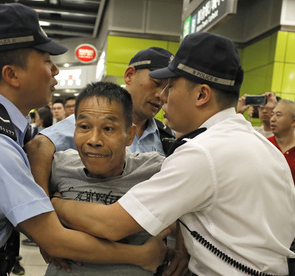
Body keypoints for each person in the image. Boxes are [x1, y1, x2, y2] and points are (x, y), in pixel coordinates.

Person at [0, 4, 169, 276]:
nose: (56, 70)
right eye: (47, 61)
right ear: (12, 74)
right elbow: (55, 239)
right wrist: (141, 255)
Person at [51, 32, 295, 275]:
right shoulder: (264, 148)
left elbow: (111, 224)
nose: (163, 97)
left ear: (201, 95)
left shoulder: (202, 152)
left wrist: (54, 205)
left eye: (171, 87)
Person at [45, 81, 170, 276]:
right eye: (84, 126)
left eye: (108, 129)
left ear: (130, 135)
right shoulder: (58, 167)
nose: (94, 140)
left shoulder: (155, 171)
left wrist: (182, 249)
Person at [25, 46, 175, 196]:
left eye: (169, 88)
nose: (161, 95)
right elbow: (38, 146)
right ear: (129, 75)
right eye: (156, 83)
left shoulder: (165, 138)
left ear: (130, 134)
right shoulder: (84, 123)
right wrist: (44, 208)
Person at [268, 99, 295, 183]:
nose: (272, 119)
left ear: (293, 121)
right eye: (272, 115)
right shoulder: (264, 145)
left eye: (278, 115)